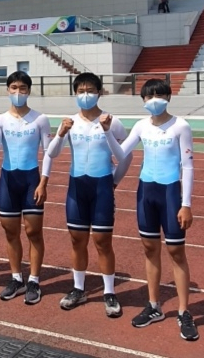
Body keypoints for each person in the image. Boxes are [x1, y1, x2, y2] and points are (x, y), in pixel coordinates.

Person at [102, 78, 198, 341]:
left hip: (170, 193)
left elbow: (187, 166)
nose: (154, 99)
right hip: (146, 192)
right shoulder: (142, 125)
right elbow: (122, 154)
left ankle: (183, 311)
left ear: (169, 97)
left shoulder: (181, 126)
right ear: (142, 100)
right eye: (149, 96)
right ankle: (154, 305)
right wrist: (108, 132)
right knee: (149, 248)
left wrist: (186, 204)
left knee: (176, 252)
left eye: (159, 94)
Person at [47, 73, 132, 316]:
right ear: (75, 93)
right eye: (81, 90)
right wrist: (61, 132)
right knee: (77, 240)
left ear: (99, 92)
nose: (86, 95)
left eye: (90, 90)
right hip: (77, 188)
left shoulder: (111, 122)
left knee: (103, 242)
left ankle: (109, 292)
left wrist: (114, 181)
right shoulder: (70, 122)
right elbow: (52, 154)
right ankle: (78, 288)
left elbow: (126, 156)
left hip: (102, 187)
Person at [0, 71, 51, 305]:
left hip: (31, 180)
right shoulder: (0, 119)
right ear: (7, 90)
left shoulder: (40, 119)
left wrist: (44, 182)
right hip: (8, 180)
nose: (18, 92)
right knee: (11, 232)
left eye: (22, 88)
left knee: (34, 232)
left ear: (29, 91)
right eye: (13, 87)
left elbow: (48, 153)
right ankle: (16, 278)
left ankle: (34, 279)